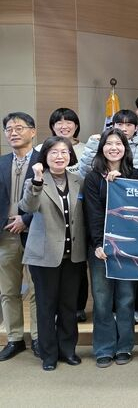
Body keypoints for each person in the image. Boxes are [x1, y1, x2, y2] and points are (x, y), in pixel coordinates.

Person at [19, 136, 85, 371]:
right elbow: (27, 207)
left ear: (70, 156)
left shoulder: (78, 181)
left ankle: (68, 350)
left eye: (64, 152)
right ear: (45, 156)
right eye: (54, 152)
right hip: (44, 255)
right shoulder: (35, 181)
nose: (60, 156)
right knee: (46, 306)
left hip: (73, 255)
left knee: (69, 306)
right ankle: (48, 354)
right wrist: (37, 180)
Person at [83, 128, 138, 368]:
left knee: (126, 299)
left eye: (118, 143)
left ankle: (125, 346)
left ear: (125, 148)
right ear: (102, 148)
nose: (113, 148)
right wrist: (99, 243)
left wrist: (121, 184)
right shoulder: (93, 178)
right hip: (101, 248)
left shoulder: (136, 175)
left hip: (129, 247)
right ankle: (104, 348)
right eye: (108, 143)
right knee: (101, 300)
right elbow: (93, 214)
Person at [0, 112, 39, 361]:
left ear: (32, 131)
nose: (13, 132)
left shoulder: (43, 161)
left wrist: (26, 219)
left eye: (19, 128)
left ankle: (38, 337)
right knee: (8, 290)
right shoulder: (1, 162)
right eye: (9, 129)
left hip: (36, 233)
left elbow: (51, 199)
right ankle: (14, 338)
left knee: (37, 290)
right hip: (5, 235)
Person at [79, 110, 138, 177]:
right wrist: (92, 146)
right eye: (120, 124)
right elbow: (86, 173)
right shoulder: (102, 146)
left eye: (128, 125)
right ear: (113, 126)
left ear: (136, 128)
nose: (124, 129)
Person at [34, 108, 85, 175]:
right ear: (53, 127)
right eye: (59, 123)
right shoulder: (40, 149)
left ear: (76, 126)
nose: (64, 127)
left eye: (69, 123)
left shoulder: (86, 150)